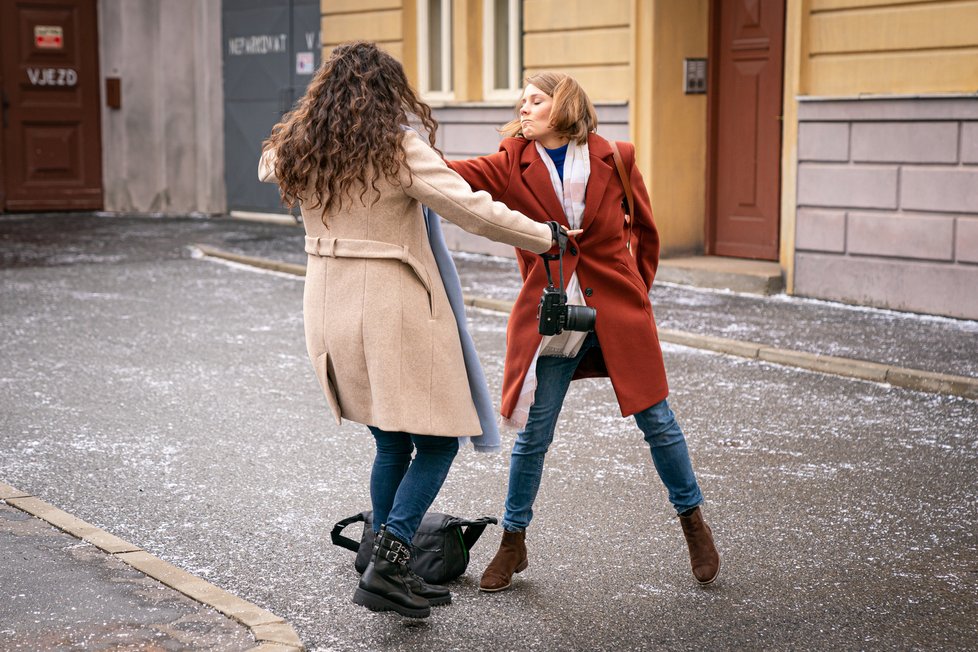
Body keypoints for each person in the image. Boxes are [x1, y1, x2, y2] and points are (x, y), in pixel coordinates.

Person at [258, 42, 566, 618]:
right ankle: (392, 561)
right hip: (391, 311)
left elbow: (267, 162)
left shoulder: (298, 146)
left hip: (327, 311)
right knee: (440, 438)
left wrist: (309, 132)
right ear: (387, 94)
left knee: (391, 437)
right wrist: (547, 236)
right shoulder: (396, 148)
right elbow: (471, 208)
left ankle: (379, 559)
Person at [446, 71, 721, 592]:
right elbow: (453, 175)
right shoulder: (511, 159)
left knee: (658, 422)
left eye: (535, 100)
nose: (523, 109)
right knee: (533, 434)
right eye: (521, 101)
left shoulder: (615, 155)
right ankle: (514, 542)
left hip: (618, 310)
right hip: (554, 314)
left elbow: (646, 230)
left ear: (563, 105)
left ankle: (693, 524)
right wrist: (394, 154)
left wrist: (638, 289)